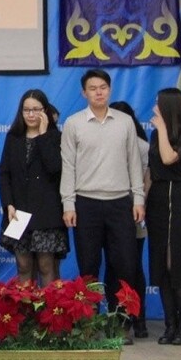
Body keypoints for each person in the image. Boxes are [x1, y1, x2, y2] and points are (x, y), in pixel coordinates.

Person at [60, 69, 144, 344]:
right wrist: (69, 203)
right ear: (84, 93)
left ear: (110, 89)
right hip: (86, 203)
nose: (98, 92)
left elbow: (134, 162)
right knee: (89, 267)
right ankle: (89, 324)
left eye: (103, 87)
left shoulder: (125, 122)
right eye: (93, 88)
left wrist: (138, 198)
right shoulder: (73, 123)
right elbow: (68, 167)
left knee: (125, 266)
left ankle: (121, 324)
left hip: (121, 203)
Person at [147, 88, 181, 346]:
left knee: (174, 264)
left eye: (158, 104)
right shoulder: (154, 134)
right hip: (158, 198)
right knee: (160, 265)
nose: (155, 108)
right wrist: (141, 200)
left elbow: (169, 158)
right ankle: (170, 325)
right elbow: (152, 170)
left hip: (177, 197)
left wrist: (161, 128)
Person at [0, 89, 67, 285]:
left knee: (46, 266)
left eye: (36, 109)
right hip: (19, 211)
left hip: (47, 212)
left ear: (45, 111)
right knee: (23, 265)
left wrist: (43, 135)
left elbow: (54, 168)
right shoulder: (14, 138)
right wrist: (9, 204)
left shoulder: (55, 137)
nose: (30, 114)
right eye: (26, 110)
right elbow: (4, 174)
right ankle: (25, 306)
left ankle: (48, 305)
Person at [107, 100, 151, 338]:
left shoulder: (142, 146)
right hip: (109, 214)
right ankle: (115, 316)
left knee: (132, 267)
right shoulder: (105, 144)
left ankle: (138, 317)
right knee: (112, 266)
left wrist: (138, 204)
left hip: (134, 213)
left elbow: (146, 181)